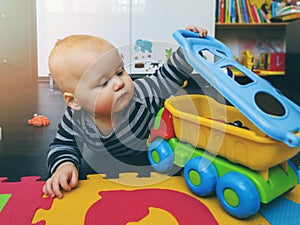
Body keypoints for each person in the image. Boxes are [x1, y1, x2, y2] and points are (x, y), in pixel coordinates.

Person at [43, 25, 208, 198]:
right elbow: (63, 145)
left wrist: (188, 49)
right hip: (109, 168)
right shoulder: (76, 118)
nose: (119, 83)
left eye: (120, 72)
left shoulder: (142, 94)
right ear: (74, 101)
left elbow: (170, 76)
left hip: (156, 155)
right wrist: (64, 166)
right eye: (103, 83)